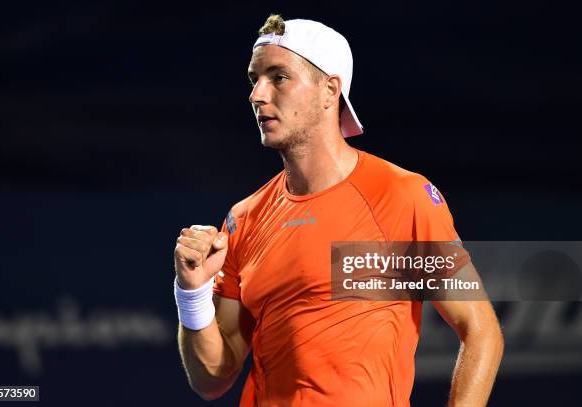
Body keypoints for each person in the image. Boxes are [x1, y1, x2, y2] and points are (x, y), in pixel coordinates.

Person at [174, 15, 503, 406]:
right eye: (254, 79)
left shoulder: (403, 196)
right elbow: (212, 379)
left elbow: (481, 331)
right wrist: (190, 293)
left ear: (330, 90)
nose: (257, 95)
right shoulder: (242, 219)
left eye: (278, 77)